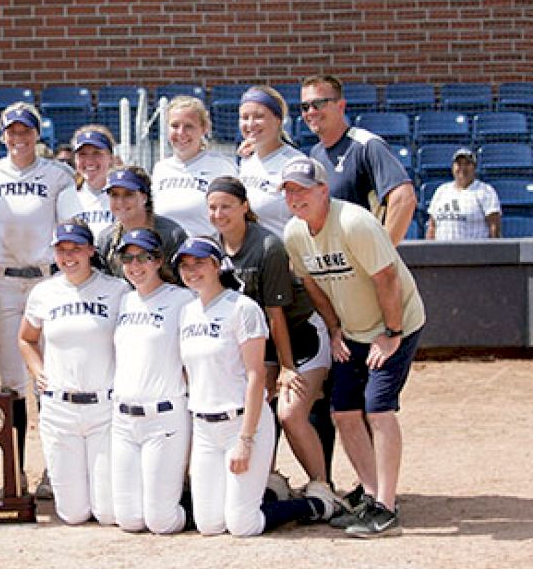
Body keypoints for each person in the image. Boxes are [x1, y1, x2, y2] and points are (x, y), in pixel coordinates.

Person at [281, 157, 425, 538]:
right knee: (343, 413)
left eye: (303, 189)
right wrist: (334, 330)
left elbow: (388, 277)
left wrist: (391, 333)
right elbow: (313, 286)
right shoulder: (294, 234)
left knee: (378, 411)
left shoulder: (353, 222)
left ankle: (388, 509)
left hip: (396, 324)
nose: (296, 197)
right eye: (289, 191)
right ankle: (373, 497)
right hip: (354, 332)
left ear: (324, 190)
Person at [175, 236, 336, 537]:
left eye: (199, 263)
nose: (191, 270)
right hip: (206, 427)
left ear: (216, 265)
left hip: (243, 422)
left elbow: (256, 376)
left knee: (242, 525)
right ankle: (274, 492)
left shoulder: (242, 308)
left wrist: (245, 439)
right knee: (209, 524)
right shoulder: (186, 312)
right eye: (185, 265)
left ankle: (313, 504)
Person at [0, 102, 83, 497]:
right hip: (3, 281)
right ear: (2, 135)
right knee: (11, 382)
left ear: (38, 134)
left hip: (46, 281)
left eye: (26, 130)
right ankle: (14, 470)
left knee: (50, 378)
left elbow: (71, 226)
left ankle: (55, 473)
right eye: (12, 131)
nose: (19, 138)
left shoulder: (57, 175)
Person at [206, 176, 333, 498]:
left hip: (300, 337)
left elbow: (276, 314)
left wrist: (287, 368)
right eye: (213, 207)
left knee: (289, 413)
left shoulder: (267, 246)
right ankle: (268, 477)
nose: (219, 214)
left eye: (226, 206)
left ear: (244, 207)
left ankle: (322, 485)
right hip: (261, 344)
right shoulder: (212, 247)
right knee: (254, 406)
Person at [18, 222, 127, 524]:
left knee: (108, 513)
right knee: (73, 514)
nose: (68, 256)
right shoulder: (44, 292)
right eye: (61, 250)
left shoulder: (117, 290)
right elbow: (26, 338)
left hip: (103, 407)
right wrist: (37, 369)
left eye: (76, 249)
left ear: (91, 250)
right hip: (59, 408)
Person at [109, 228, 191, 533]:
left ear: (158, 260)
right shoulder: (123, 300)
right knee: (129, 521)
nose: (135, 265)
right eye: (127, 258)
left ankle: (209, 506)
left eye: (143, 257)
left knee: (161, 522)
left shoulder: (182, 299)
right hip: (124, 419)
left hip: (164, 417)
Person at [301, 75, 417, 245]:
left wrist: (383, 255)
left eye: (318, 104)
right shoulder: (315, 154)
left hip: (364, 262)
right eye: (305, 107)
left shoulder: (367, 146)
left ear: (340, 106)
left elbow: (404, 198)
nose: (311, 112)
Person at [151, 96, 238, 239]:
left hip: (205, 255)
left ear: (204, 128)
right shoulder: (160, 169)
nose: (181, 132)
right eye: (174, 125)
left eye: (189, 126)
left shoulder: (222, 168)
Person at [94, 167, 187, 283]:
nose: (120, 202)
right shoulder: (106, 239)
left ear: (144, 197)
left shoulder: (172, 235)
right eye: (114, 195)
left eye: (128, 194)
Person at [237, 86, 307, 238]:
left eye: (258, 116)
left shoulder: (296, 164)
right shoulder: (246, 161)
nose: (250, 124)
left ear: (278, 120)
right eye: (244, 117)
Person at [426, 148, 501, 240]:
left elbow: (494, 226)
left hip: (473, 252)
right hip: (442, 251)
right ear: (453, 167)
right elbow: (432, 226)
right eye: (459, 164)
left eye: (467, 164)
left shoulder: (485, 191)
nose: (462, 168)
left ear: (474, 167)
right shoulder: (441, 191)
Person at [72, 125, 119, 240]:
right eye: (82, 154)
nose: (89, 161)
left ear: (111, 158)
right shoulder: (66, 197)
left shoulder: (125, 195)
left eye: (97, 153)